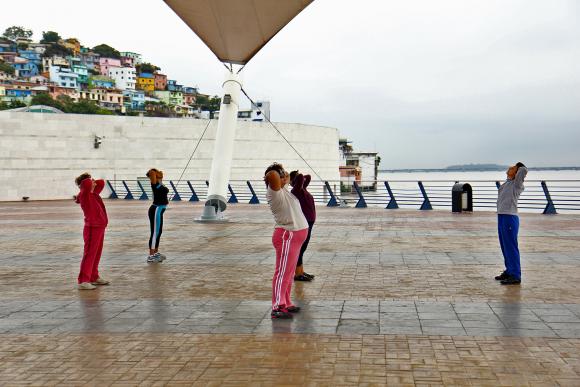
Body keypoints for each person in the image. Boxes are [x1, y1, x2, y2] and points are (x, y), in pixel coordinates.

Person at [265, 163, 309, 319]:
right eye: (281, 175)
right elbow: (272, 175)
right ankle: (277, 306)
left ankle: (286, 301)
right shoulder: (274, 192)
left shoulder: (283, 190)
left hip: (295, 237)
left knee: (289, 273)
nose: (284, 177)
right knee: (282, 272)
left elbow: (297, 177)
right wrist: (277, 173)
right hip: (286, 236)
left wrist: (284, 175)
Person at [75, 172, 109, 290]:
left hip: (100, 227)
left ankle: (93, 276)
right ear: (85, 185)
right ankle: (83, 280)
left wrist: (91, 180)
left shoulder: (93, 194)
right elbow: (87, 184)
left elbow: (101, 182)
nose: (94, 182)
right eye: (91, 181)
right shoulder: (85, 195)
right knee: (89, 253)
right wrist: (86, 181)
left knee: (96, 253)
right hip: (92, 228)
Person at [495, 162, 528, 285]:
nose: (510, 168)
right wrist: (513, 171)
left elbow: (523, 170)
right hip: (502, 216)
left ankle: (515, 275)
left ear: (516, 172)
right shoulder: (507, 184)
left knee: (511, 246)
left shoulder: (517, 184)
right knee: (504, 245)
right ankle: (509, 271)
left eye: (513, 168)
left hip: (510, 217)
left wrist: (519, 167)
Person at [289, 170, 316, 281]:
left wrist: (296, 178)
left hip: (309, 222)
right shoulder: (296, 190)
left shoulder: (302, 188)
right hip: (305, 222)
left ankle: (300, 271)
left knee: (303, 248)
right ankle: (297, 274)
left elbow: (308, 177)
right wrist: (295, 178)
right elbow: (301, 177)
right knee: (301, 248)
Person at [146, 168, 169, 263]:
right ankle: (151, 256)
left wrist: (160, 178)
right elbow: (151, 173)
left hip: (159, 210)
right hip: (156, 209)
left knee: (159, 232)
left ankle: (155, 253)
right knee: (155, 233)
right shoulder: (155, 185)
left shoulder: (159, 184)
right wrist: (155, 174)